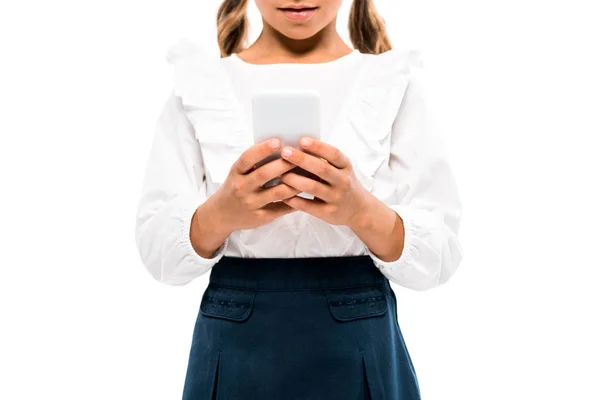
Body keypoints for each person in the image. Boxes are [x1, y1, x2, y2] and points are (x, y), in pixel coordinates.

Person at [134, 0, 463, 398]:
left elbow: (440, 254)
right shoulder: (201, 84)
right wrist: (222, 213)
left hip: (359, 335)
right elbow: (158, 252)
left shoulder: (391, 82)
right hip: (235, 340)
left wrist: (360, 211)